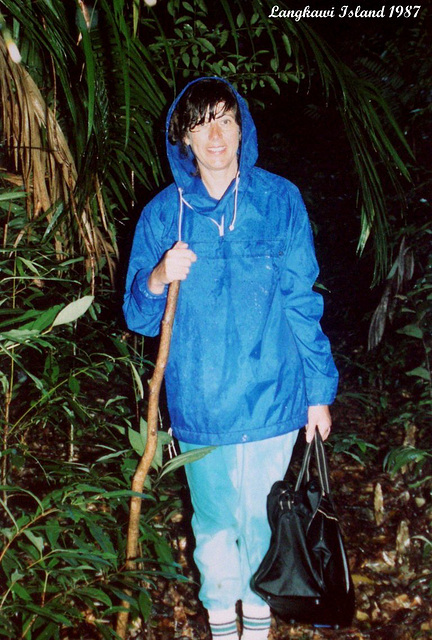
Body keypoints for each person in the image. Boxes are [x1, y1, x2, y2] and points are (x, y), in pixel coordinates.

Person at [123, 77, 338, 640]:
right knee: (216, 525)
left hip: (273, 398)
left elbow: (301, 299)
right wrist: (158, 274)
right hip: (202, 405)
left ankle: (258, 629)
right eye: (201, 123)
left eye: (226, 119)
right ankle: (224, 626)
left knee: (263, 524)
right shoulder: (163, 215)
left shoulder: (279, 200)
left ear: (244, 128)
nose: (215, 134)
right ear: (184, 138)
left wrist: (319, 391)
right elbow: (138, 316)